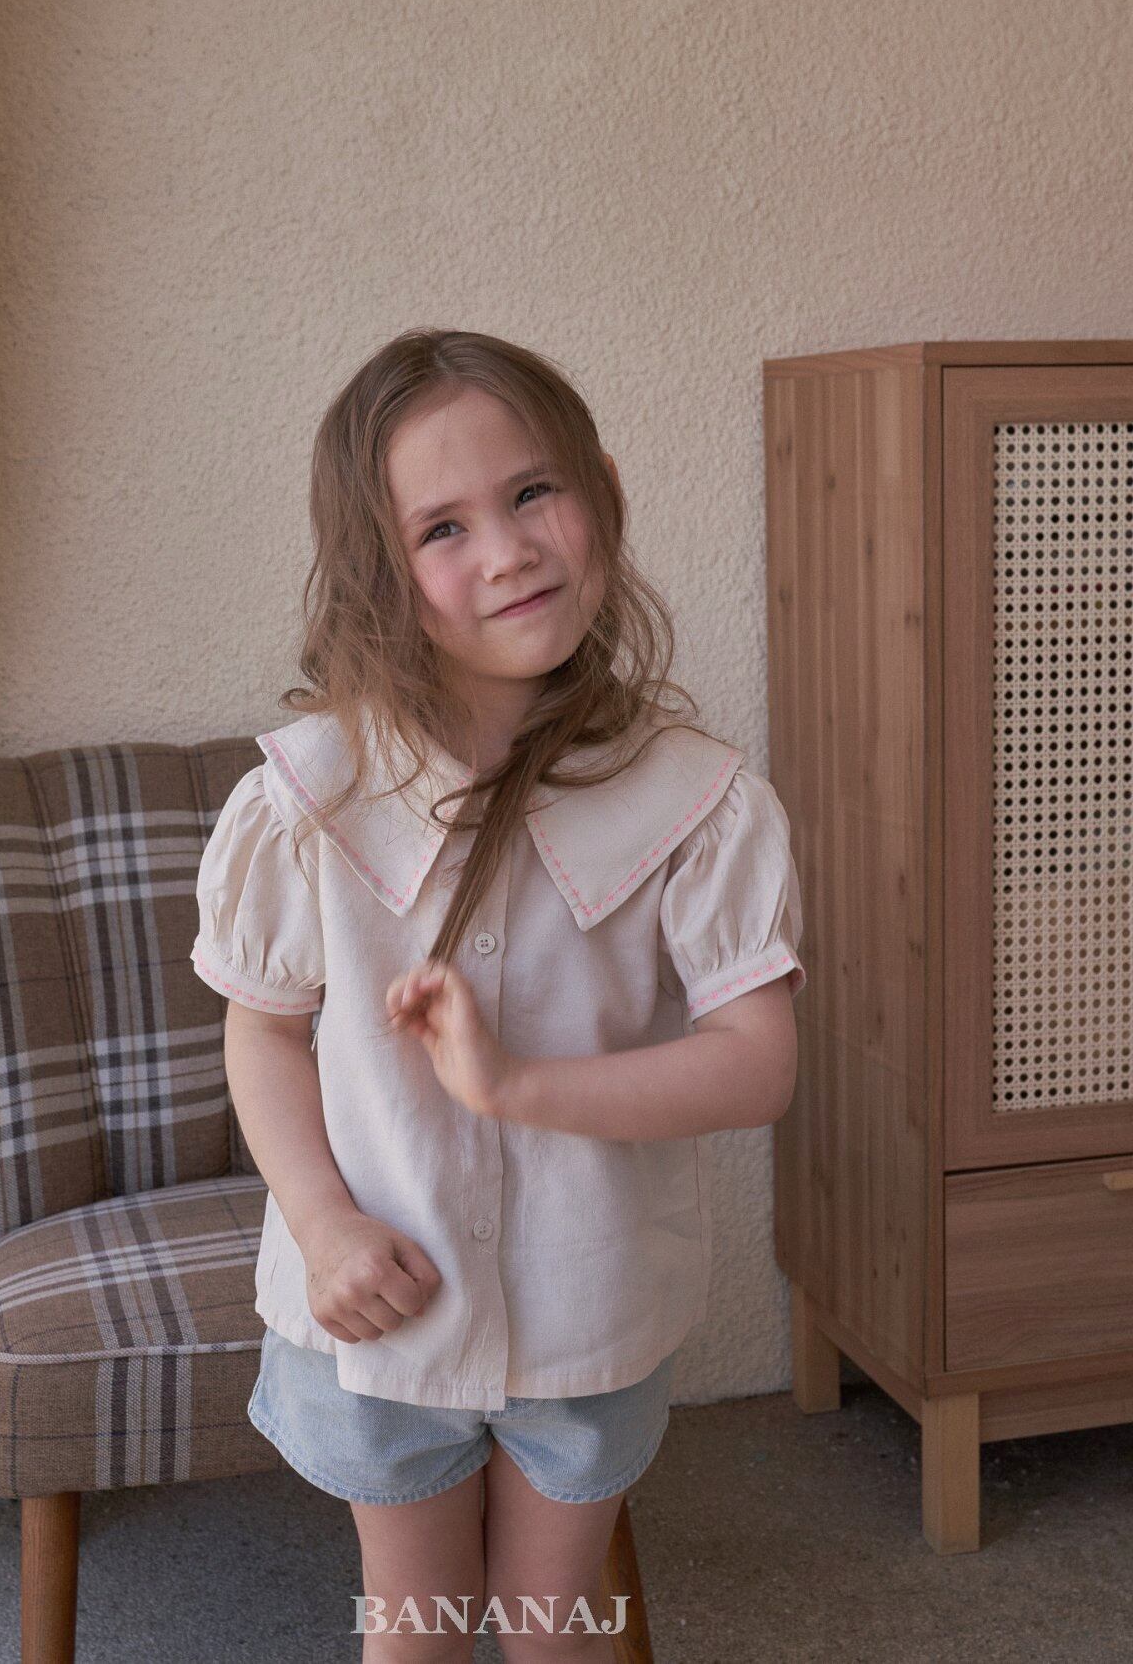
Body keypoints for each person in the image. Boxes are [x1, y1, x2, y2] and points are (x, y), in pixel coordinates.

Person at [190, 327, 806, 1661]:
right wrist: (322, 1226)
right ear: (378, 576)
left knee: (551, 1630)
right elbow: (265, 1031)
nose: (510, 550)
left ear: (604, 494)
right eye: (443, 528)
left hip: (589, 1307)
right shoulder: (305, 802)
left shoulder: (698, 801)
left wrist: (518, 1085)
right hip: (379, 1312)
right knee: (415, 1628)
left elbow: (758, 1062)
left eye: (534, 492)